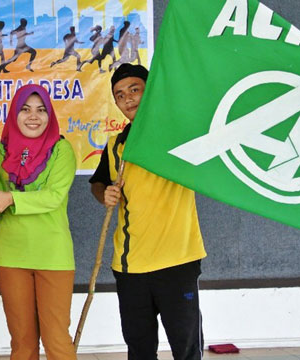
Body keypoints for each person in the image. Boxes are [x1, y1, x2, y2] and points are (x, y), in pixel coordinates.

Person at [89, 64, 206, 360]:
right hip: (130, 266)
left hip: (178, 260)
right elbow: (98, 182)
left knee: (186, 348)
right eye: (119, 95)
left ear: (150, 90)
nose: (127, 99)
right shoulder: (118, 145)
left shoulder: (178, 133)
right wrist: (106, 194)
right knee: (139, 350)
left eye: (134, 89)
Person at [0, 84, 77, 360]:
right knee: (22, 343)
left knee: (57, 341)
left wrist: (11, 199)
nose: (33, 116)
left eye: (41, 110)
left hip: (53, 255)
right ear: (14, 114)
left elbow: (54, 197)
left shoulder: (61, 149)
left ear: (50, 115)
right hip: (10, 255)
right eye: (25, 109)